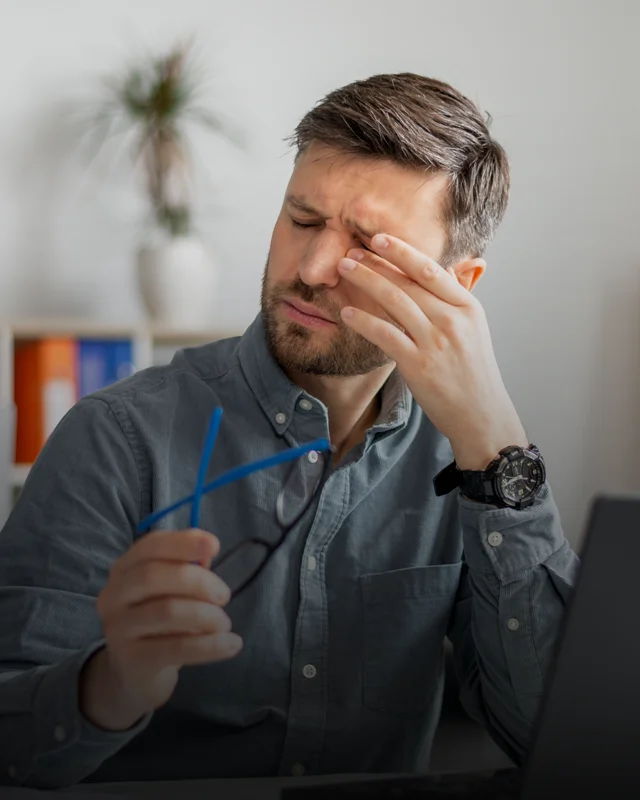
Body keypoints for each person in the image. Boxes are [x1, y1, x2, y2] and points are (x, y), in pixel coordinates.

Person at [0, 73, 579, 790]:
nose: (309, 270)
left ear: (457, 287)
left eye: (368, 246)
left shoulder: (469, 463)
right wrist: (113, 684)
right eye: (302, 220)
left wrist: (497, 448)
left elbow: (563, 742)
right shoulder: (116, 437)